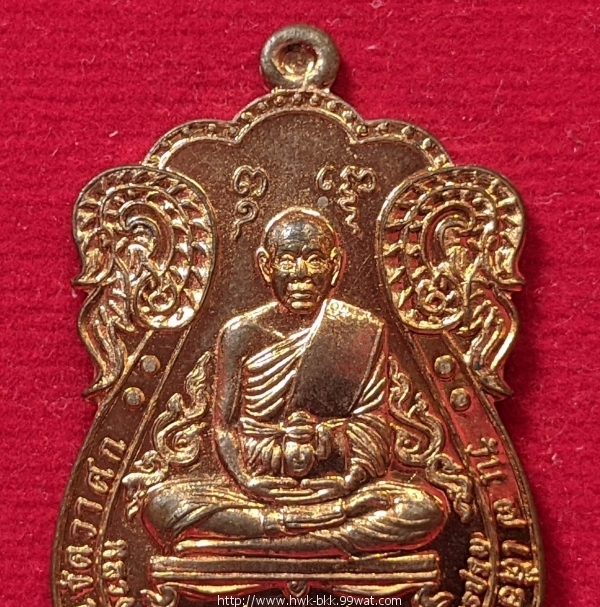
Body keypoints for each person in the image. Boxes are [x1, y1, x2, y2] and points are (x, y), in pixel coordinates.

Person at [144, 208, 446, 558]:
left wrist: (342, 472)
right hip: (259, 488)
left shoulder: (361, 330)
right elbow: (224, 426)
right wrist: (248, 480)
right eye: (287, 260)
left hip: (336, 490)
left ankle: (265, 540)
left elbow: (374, 426)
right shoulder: (240, 334)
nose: (301, 274)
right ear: (266, 265)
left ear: (335, 266)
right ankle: (312, 539)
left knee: (424, 509)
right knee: (162, 504)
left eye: (315, 260)